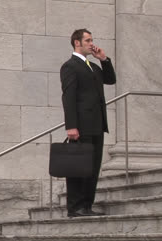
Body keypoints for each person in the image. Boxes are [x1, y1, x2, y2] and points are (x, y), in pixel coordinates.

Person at [60, 28, 116, 217]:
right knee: (78, 165)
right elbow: (69, 97)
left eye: (92, 40)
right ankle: (75, 207)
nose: (92, 43)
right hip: (81, 125)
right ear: (77, 42)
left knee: (93, 166)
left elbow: (110, 80)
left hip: (97, 124)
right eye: (88, 40)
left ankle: (87, 205)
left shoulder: (93, 66)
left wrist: (104, 59)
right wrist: (71, 126)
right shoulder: (70, 66)